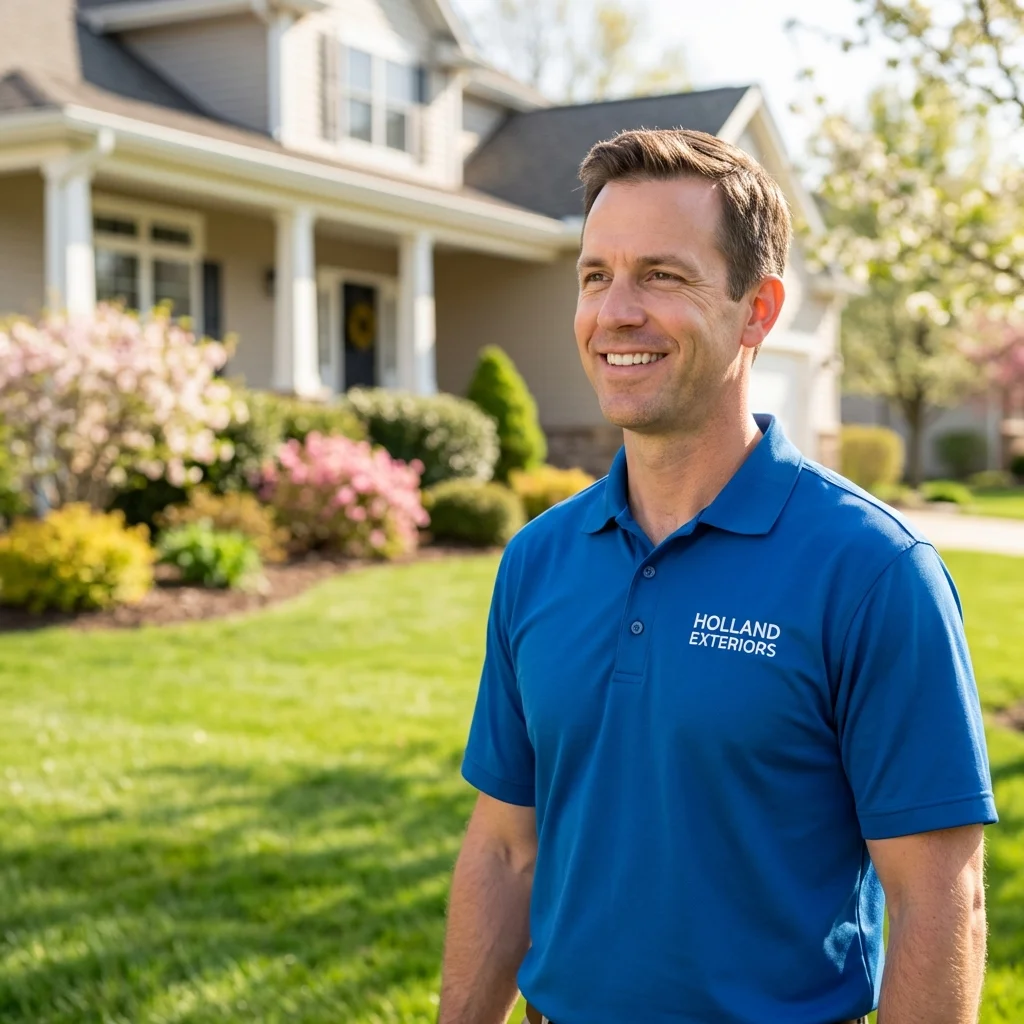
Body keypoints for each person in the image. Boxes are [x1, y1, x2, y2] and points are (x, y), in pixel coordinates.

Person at [437, 128, 997, 1024]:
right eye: (594, 276)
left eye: (662, 275)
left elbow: (939, 897)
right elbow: (506, 850)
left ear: (757, 311)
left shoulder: (874, 570)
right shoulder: (537, 559)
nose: (615, 311)